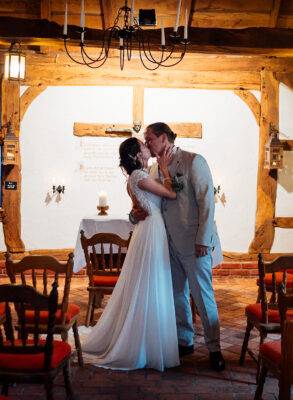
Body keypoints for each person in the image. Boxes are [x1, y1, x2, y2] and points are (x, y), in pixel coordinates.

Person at [132, 122, 225, 372]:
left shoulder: (194, 161)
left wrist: (203, 240)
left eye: (149, 139)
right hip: (166, 243)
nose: (147, 143)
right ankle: (185, 341)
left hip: (194, 243)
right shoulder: (152, 171)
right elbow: (149, 202)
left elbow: (207, 203)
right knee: (176, 295)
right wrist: (134, 214)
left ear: (164, 138)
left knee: (203, 296)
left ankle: (215, 348)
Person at [82, 137, 180, 371]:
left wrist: (135, 214)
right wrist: (166, 169)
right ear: (138, 155)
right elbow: (171, 194)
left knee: (148, 281)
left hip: (149, 228)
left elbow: (142, 206)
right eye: (144, 146)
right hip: (150, 230)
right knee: (149, 281)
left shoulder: (139, 176)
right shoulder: (139, 176)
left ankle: (148, 338)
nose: (147, 147)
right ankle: (142, 342)